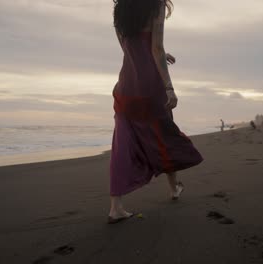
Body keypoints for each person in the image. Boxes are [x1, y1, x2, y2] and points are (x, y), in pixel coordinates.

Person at [109, 0, 203, 224]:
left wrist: (158, 53)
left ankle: (115, 207)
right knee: (164, 133)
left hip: (126, 86)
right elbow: (156, 48)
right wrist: (169, 88)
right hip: (150, 86)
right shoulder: (155, 4)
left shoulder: (121, 8)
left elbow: (129, 47)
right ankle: (173, 189)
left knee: (122, 143)